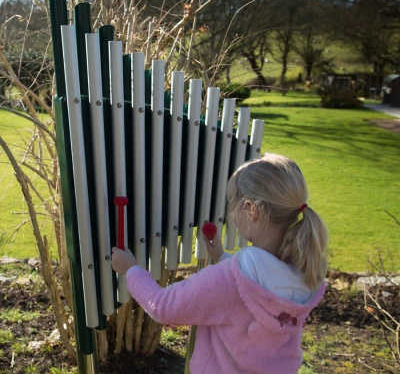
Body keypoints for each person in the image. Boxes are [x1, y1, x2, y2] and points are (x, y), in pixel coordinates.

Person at [112, 152, 328, 374]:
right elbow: (247, 296)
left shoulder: (231, 279)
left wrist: (131, 269)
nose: (233, 215)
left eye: (233, 204)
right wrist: (223, 258)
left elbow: (164, 306)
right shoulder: (304, 274)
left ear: (252, 209)